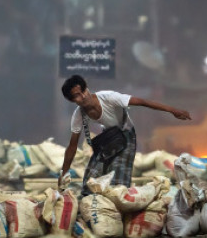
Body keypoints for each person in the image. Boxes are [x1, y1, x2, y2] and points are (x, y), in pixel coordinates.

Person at [58, 75, 191, 195]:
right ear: (72, 100)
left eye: (83, 91)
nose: (83, 97)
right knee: (89, 184)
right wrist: (64, 173)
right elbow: (72, 145)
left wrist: (173, 111)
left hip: (126, 136)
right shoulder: (78, 115)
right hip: (109, 139)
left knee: (119, 185)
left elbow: (142, 102)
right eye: (77, 96)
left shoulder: (108, 97)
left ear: (87, 88)